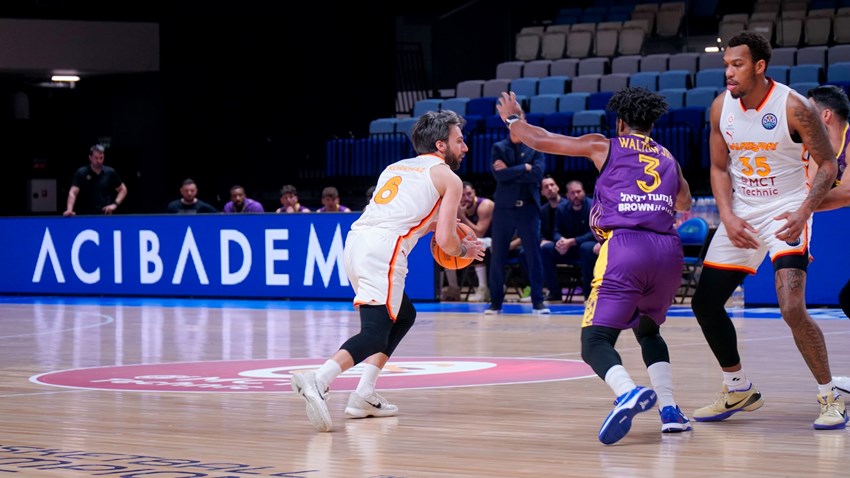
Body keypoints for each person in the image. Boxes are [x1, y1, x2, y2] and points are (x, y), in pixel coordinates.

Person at [497, 87, 693, 445]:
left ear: (620, 123)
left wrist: (512, 119)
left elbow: (541, 140)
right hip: (668, 253)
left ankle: (628, 391)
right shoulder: (668, 157)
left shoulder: (605, 145)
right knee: (649, 331)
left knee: (594, 341)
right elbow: (684, 201)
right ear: (651, 125)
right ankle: (670, 411)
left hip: (626, 247)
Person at [290, 110, 485, 432]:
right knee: (374, 333)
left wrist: (447, 233)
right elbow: (446, 242)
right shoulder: (448, 178)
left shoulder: (395, 167)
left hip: (356, 244)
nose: (465, 147)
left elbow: (420, 220)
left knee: (404, 315)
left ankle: (364, 394)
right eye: (459, 141)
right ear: (441, 145)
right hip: (385, 251)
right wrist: (465, 251)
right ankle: (319, 379)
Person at [690, 31, 844, 430]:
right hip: (742, 213)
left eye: (737, 64)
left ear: (759, 66)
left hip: (786, 211)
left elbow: (828, 165)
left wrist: (804, 211)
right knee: (704, 304)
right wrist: (726, 215)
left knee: (791, 307)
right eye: (726, 64)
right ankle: (737, 387)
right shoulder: (720, 107)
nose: (729, 72)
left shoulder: (795, 107)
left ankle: (830, 395)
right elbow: (719, 168)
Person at [805, 86, 850, 404]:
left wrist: (799, 208)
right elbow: (808, 191)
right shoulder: (815, 150)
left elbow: (846, 193)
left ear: (825, 115)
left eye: (807, 110)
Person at [485, 120, 549, 315]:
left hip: (528, 208)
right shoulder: (498, 147)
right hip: (504, 208)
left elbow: (537, 175)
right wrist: (524, 168)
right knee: (498, 256)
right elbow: (499, 176)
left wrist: (510, 171)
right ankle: (495, 303)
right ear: (508, 126)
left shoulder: (535, 147)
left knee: (533, 255)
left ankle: (538, 302)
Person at [539, 178, 599, 302]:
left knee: (586, 248)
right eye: (572, 193)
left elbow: (593, 232)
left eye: (578, 192)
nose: (576, 195)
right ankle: (554, 292)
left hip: (585, 245)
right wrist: (560, 241)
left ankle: (588, 294)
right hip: (567, 247)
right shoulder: (561, 208)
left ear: (584, 192)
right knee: (546, 249)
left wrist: (573, 241)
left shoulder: (593, 207)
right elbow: (556, 231)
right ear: (567, 195)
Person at [442, 181, 494, 302]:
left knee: (475, 244)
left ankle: (483, 289)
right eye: (462, 195)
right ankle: (453, 288)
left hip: (492, 241)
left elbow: (479, 233)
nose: (466, 198)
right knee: (446, 247)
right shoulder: (454, 206)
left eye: (469, 194)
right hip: (473, 240)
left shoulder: (485, 205)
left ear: (474, 192)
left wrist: (462, 216)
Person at [63, 144, 128, 216]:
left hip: (105, 215)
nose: (98, 160)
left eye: (101, 158)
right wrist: (69, 209)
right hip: (85, 215)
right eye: (96, 158)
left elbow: (123, 189)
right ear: (90, 157)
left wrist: (115, 204)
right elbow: (73, 192)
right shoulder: (82, 172)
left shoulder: (110, 172)